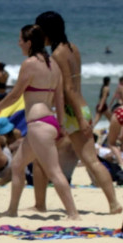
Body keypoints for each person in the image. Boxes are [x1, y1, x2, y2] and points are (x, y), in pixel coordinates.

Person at [0, 24, 78, 219]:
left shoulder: (29, 64)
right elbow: (59, 98)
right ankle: (12, 210)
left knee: (54, 171)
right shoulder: (54, 65)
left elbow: (15, 94)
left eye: (20, 39)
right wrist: (61, 125)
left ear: (29, 42)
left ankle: (73, 214)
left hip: (38, 125)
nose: (18, 43)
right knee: (18, 165)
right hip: (49, 121)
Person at [35, 11, 121, 214]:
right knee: (90, 160)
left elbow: (68, 90)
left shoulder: (56, 54)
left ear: (47, 31)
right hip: (82, 107)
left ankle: (40, 205)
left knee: (43, 157)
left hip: (72, 112)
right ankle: (113, 203)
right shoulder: (73, 48)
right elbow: (76, 84)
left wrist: (79, 120)